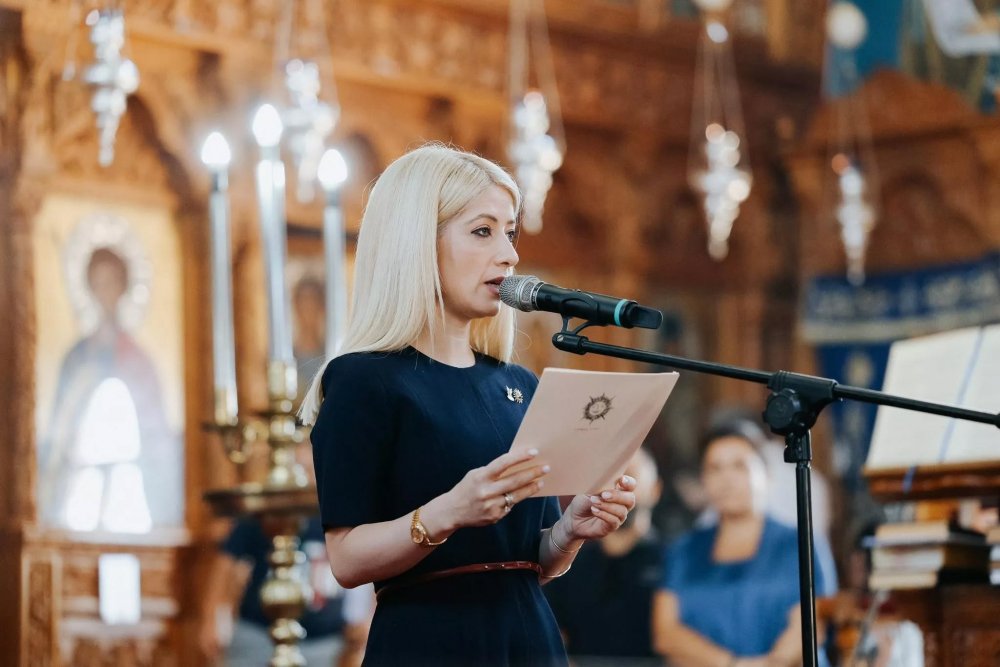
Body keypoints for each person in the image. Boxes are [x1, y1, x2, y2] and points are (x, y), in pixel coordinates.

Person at [298, 143, 638, 666]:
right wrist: (450, 512)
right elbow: (346, 560)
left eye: (509, 233)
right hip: (430, 643)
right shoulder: (365, 380)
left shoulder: (519, 385)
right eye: (483, 231)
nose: (509, 254)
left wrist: (569, 533)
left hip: (530, 642)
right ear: (416, 243)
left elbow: (528, 561)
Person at [652, 419, 838, 667]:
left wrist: (771, 664)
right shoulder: (683, 550)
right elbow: (666, 634)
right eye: (714, 468)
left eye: (739, 466)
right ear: (703, 479)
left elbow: (813, 624)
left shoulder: (800, 544)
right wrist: (733, 664)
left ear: (767, 475)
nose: (726, 479)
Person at [544, 448, 665, 667]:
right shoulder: (570, 562)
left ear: (655, 490)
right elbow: (553, 634)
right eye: (613, 477)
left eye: (630, 478)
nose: (619, 488)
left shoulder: (671, 562)